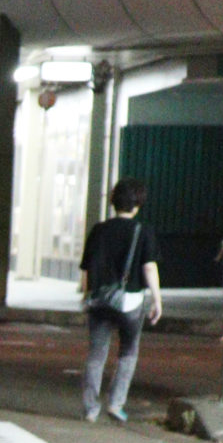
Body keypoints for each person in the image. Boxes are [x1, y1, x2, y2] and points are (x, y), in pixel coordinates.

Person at [79, 177, 161, 423]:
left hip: (101, 301)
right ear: (137, 205)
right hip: (131, 302)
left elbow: (86, 270)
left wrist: (86, 295)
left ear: (113, 202)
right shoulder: (143, 231)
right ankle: (115, 404)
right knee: (128, 352)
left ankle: (90, 409)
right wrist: (157, 300)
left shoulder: (99, 230)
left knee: (96, 354)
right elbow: (149, 268)